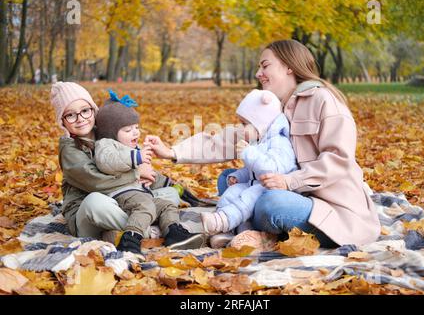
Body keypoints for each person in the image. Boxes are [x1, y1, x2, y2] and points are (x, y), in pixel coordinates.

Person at [145, 39, 381, 248]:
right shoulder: (273, 108)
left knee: (271, 203)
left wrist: (289, 181)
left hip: (329, 207)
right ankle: (254, 229)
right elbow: (231, 138)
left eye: (265, 65)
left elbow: (338, 161)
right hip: (292, 193)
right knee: (226, 179)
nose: (258, 73)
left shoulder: (323, 100)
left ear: (289, 66)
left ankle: (252, 229)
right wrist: (172, 151)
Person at [50, 82, 190, 250]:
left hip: (120, 200)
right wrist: (136, 173)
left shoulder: (106, 133)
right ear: (62, 122)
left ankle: (123, 230)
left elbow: (125, 161)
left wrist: (158, 180)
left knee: (169, 195)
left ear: (93, 110)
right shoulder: (69, 149)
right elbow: (96, 183)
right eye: (71, 115)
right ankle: (147, 231)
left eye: (85, 111)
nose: (80, 119)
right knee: (94, 202)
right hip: (88, 213)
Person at [93, 90, 206, 254]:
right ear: (111, 132)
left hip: (139, 194)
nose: (135, 132)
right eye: (128, 130)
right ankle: (130, 239)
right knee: (145, 205)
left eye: (137, 127)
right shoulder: (106, 145)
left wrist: (171, 184)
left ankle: (173, 233)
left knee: (166, 205)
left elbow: (149, 175)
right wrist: (136, 157)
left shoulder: (132, 149)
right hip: (120, 194)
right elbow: (107, 161)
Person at [200, 89, 297, 235]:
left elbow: (272, 170)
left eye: (245, 124)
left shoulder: (279, 142)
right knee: (233, 192)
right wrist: (239, 176)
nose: (241, 128)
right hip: (257, 183)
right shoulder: (258, 141)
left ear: (261, 124)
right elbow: (252, 170)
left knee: (248, 196)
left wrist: (248, 153)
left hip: (273, 187)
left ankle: (223, 221)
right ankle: (230, 230)